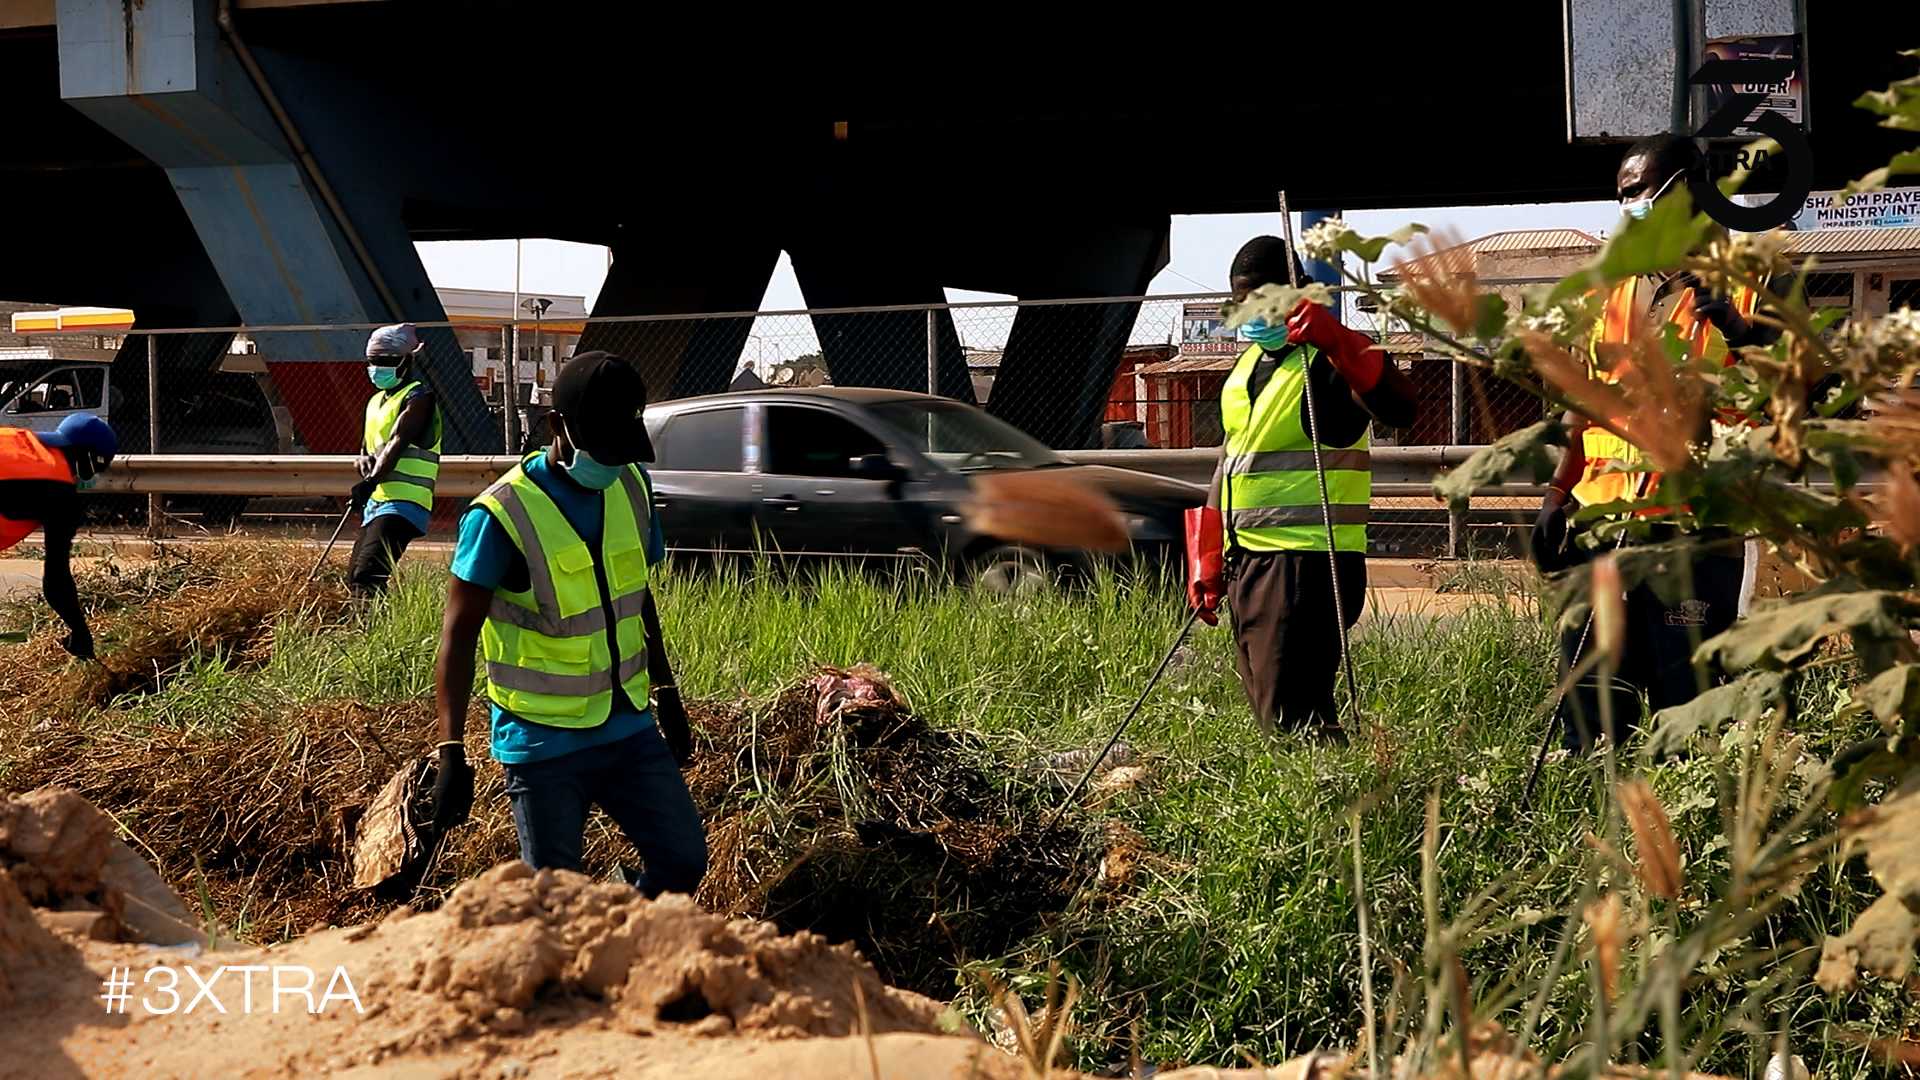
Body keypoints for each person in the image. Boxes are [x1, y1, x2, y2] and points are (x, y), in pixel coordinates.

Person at [426, 350, 705, 895]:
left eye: (622, 447)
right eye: (602, 447)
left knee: (683, 861)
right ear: (557, 426)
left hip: (628, 725)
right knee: (556, 896)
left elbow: (636, 595)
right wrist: (451, 751)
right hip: (542, 742)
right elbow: (457, 637)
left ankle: (614, 920)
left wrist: (667, 692)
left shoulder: (631, 486)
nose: (612, 462)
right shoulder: (501, 515)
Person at [1533, 134, 1778, 751]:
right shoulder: (1606, 289)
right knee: (1591, 701)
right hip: (1604, 525)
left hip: (1697, 532)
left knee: (1687, 708)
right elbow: (1584, 404)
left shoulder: (1752, 281)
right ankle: (1591, 798)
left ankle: (1684, 806)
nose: (1629, 207)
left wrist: (1743, 334)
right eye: (1622, 195)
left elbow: (1802, 395)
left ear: (1688, 188)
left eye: (1640, 191)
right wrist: (1557, 494)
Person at [1185, 237, 1419, 740]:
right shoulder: (1246, 368)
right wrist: (1206, 555)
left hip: (1307, 563)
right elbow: (1230, 462)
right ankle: (1332, 780)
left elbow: (1401, 408)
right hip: (1247, 559)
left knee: (1292, 718)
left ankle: (1335, 784)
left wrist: (1337, 339)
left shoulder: (1328, 364)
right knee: (1276, 711)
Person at [0, 413, 117, 659]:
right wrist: (80, 630)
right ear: (90, 460)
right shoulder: (60, 491)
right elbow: (56, 581)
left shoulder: (17, 439)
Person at [349, 323, 443, 594]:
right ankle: (368, 620)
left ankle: (371, 618)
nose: (377, 368)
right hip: (377, 502)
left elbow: (397, 442)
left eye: (386, 362)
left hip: (405, 503)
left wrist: (371, 481)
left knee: (367, 573)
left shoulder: (419, 399)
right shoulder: (375, 402)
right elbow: (368, 448)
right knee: (354, 576)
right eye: (372, 362)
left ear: (407, 361)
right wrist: (363, 463)